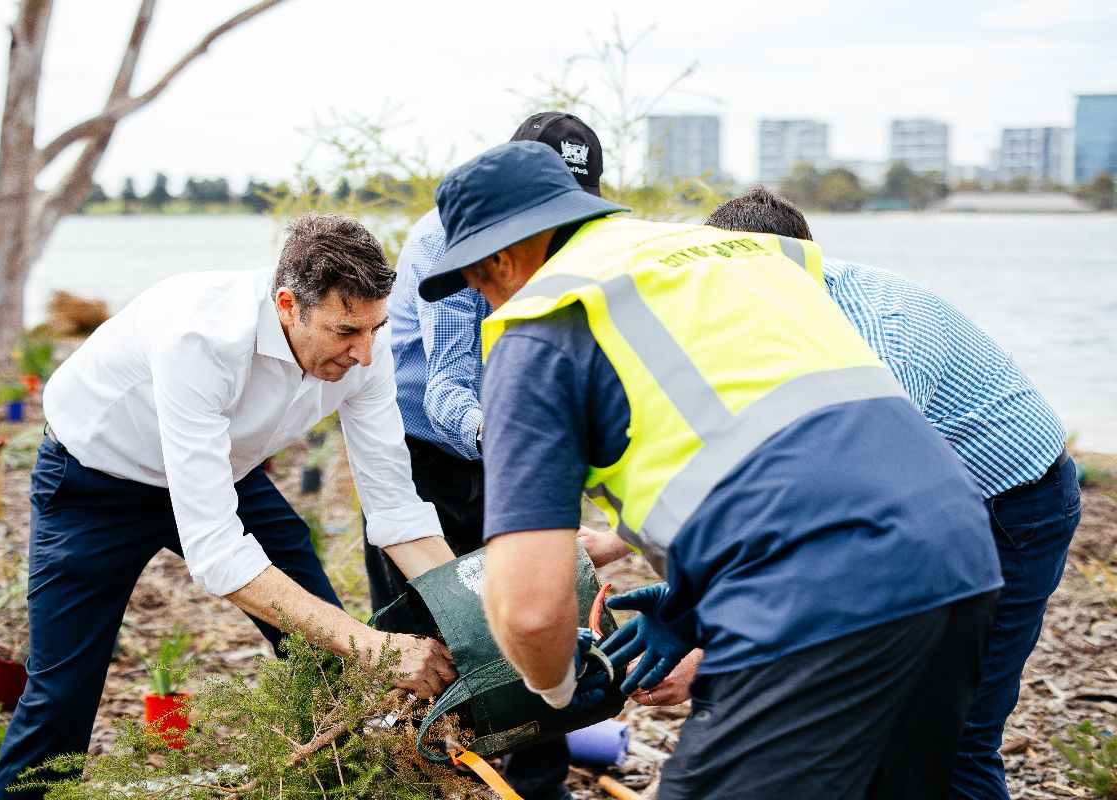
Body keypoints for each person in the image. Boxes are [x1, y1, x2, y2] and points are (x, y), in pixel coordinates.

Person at [420, 141, 1004, 800]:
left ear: (501, 254)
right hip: (960, 558)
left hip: (819, 601)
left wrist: (555, 688)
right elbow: (786, 453)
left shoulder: (541, 324)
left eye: (474, 275)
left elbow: (527, 611)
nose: (478, 294)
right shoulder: (740, 257)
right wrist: (694, 606)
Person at [0, 213, 458, 799]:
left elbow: (396, 510)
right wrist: (379, 646)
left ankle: (344, 786)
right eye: (345, 332)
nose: (366, 353)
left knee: (329, 659)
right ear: (287, 304)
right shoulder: (202, 337)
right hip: (95, 484)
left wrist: (477, 617)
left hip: (221, 470)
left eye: (375, 328)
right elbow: (218, 558)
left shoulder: (367, 347)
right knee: (62, 693)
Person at [701, 186, 1080, 800]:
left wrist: (714, 644)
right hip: (928, 502)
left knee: (956, 736)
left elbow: (851, 518)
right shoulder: (761, 303)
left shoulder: (882, 343)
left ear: (803, 270)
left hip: (1013, 512)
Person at [366, 111, 606, 800]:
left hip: (514, 444)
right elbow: (448, 389)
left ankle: (540, 784)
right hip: (426, 454)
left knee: (537, 612)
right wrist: (525, 441)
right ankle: (426, 777)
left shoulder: (579, 241)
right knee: (429, 636)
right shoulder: (450, 240)